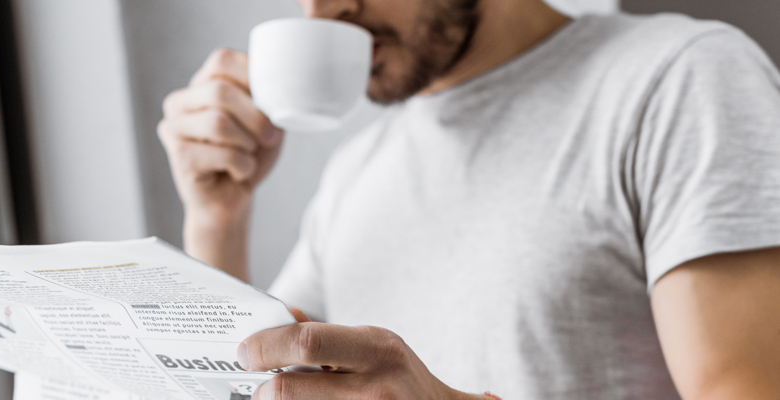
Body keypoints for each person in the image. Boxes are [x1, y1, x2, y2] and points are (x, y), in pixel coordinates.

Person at [155, 0, 780, 398]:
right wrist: (217, 220)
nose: (327, 9)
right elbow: (254, 378)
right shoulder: (356, 172)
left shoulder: (681, 78)